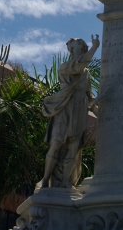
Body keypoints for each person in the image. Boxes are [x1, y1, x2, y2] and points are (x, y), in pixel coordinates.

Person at [36, 35, 99, 189]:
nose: (72, 48)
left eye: (76, 44)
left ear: (82, 47)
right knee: (56, 143)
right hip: (65, 106)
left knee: (74, 146)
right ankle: (46, 179)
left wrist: (99, 106)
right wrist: (95, 47)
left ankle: (65, 181)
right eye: (71, 46)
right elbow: (78, 67)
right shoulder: (65, 66)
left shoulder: (86, 74)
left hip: (80, 109)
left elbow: (89, 96)